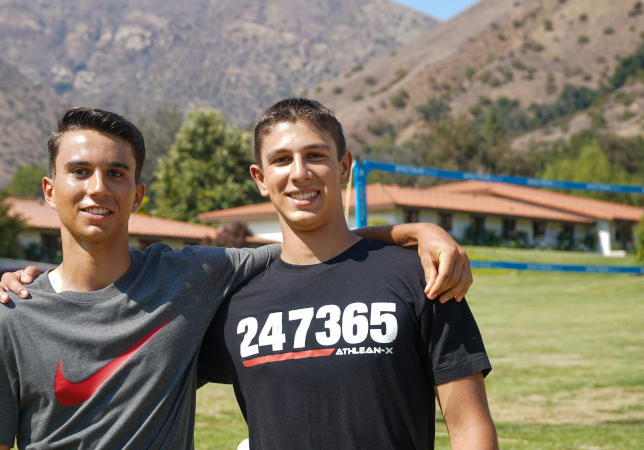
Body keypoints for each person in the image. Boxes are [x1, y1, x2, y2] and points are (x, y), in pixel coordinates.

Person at [0, 107, 473, 449]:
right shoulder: (8, 317)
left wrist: (415, 231)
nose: (97, 188)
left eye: (117, 173)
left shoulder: (193, 275)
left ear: (139, 193)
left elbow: (313, 243)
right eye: (79, 171)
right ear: (48, 189)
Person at [196, 98, 498, 449]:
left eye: (316, 155)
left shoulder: (421, 278)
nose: (299, 172)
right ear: (261, 178)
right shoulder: (235, 305)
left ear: (344, 166)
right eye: (281, 160)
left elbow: (469, 426)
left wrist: (419, 231)